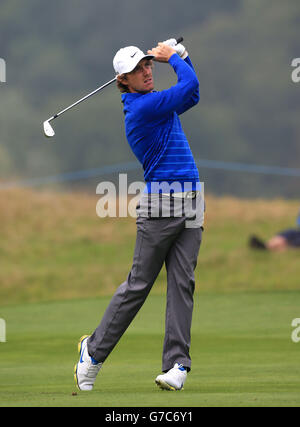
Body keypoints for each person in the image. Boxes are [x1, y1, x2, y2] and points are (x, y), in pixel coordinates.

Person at [74, 38, 204, 391]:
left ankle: (177, 364)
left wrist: (184, 57)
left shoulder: (157, 103)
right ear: (123, 81)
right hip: (161, 207)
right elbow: (188, 85)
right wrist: (174, 57)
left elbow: (191, 95)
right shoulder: (143, 109)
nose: (147, 72)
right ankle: (93, 352)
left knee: (182, 283)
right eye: (137, 70)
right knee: (138, 285)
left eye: (148, 65)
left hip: (192, 201)